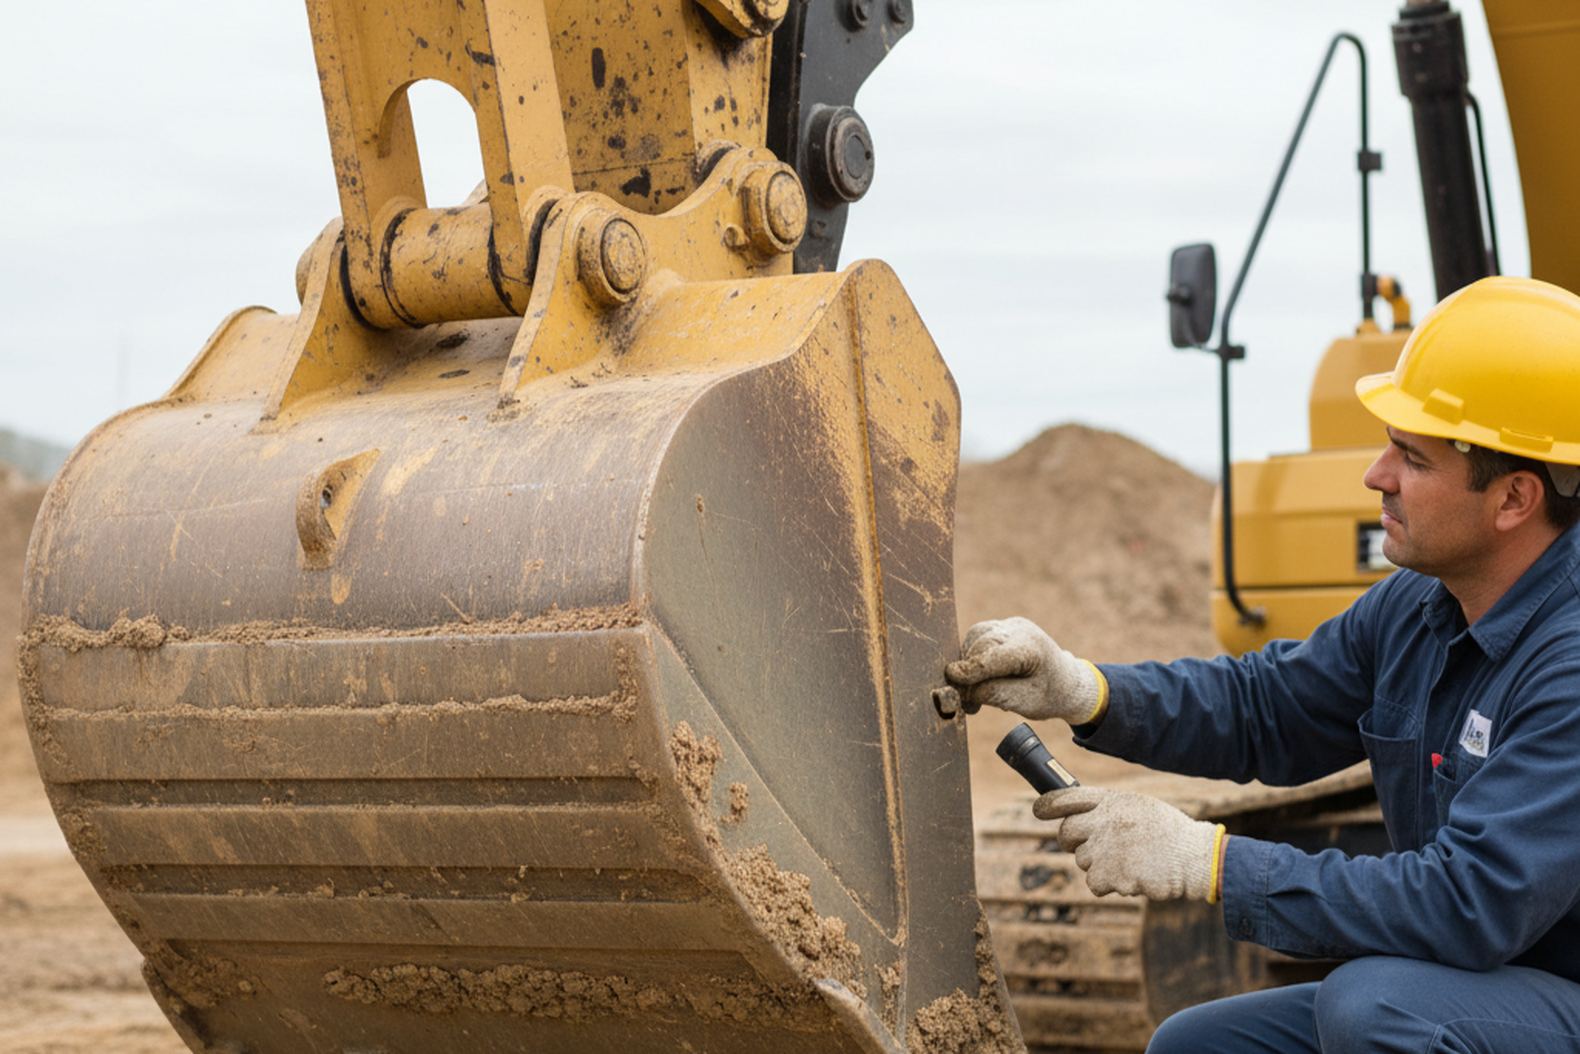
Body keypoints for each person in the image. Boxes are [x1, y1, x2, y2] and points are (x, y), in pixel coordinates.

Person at [946, 275, 1580, 1054]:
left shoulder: (1569, 664)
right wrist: (1085, 690)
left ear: (1514, 499)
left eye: (1412, 458)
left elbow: (1468, 903)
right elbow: (1270, 706)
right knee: (1197, 1044)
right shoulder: (1420, 605)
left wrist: (1212, 862)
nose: (1376, 475)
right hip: (1497, 987)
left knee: (1376, 1008)